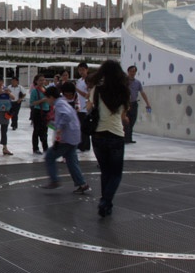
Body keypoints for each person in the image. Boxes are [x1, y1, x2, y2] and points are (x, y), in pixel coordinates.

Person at [87, 60, 130, 217]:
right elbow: (124, 115)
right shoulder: (124, 91)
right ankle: (105, 201)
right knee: (116, 173)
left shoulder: (97, 90)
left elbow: (89, 108)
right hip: (116, 135)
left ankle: (107, 204)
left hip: (98, 135)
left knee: (105, 172)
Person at [41, 83, 89, 193]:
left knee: (49, 156)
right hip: (73, 136)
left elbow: (66, 116)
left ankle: (54, 180)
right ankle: (82, 183)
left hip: (67, 138)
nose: (47, 101)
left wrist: (59, 128)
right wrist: (53, 124)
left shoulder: (59, 104)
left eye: (47, 98)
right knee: (71, 161)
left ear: (51, 97)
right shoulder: (63, 102)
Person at [124, 65, 151, 144]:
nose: (132, 73)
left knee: (132, 121)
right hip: (125, 104)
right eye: (131, 71)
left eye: (134, 71)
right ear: (128, 72)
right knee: (126, 121)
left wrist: (148, 103)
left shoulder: (137, 82)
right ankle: (125, 138)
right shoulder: (124, 81)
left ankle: (129, 138)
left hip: (134, 104)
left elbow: (142, 93)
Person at [28, 74, 49, 154]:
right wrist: (42, 100)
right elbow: (32, 103)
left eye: (43, 80)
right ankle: (35, 148)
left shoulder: (46, 89)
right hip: (38, 111)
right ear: (36, 81)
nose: (42, 82)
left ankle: (45, 147)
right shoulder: (35, 91)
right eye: (40, 80)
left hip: (46, 111)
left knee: (45, 130)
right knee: (36, 130)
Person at [74, 62, 91, 152]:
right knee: (80, 127)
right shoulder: (79, 80)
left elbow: (87, 95)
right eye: (80, 70)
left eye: (83, 70)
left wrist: (76, 89)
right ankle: (85, 145)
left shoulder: (89, 81)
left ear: (87, 70)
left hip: (86, 107)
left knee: (84, 127)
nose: (81, 72)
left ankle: (83, 146)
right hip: (79, 107)